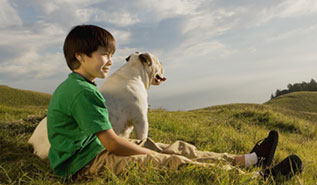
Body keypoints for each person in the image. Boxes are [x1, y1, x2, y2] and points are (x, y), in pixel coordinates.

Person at [46, 24, 302, 180]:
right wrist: (147, 152)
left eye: (112, 55)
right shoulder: (82, 92)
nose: (110, 60)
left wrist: (147, 146)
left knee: (177, 148)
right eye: (104, 54)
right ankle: (255, 178)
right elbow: (112, 145)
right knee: (164, 160)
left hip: (93, 152)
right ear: (80, 56)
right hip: (83, 166)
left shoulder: (82, 86)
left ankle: (250, 160)